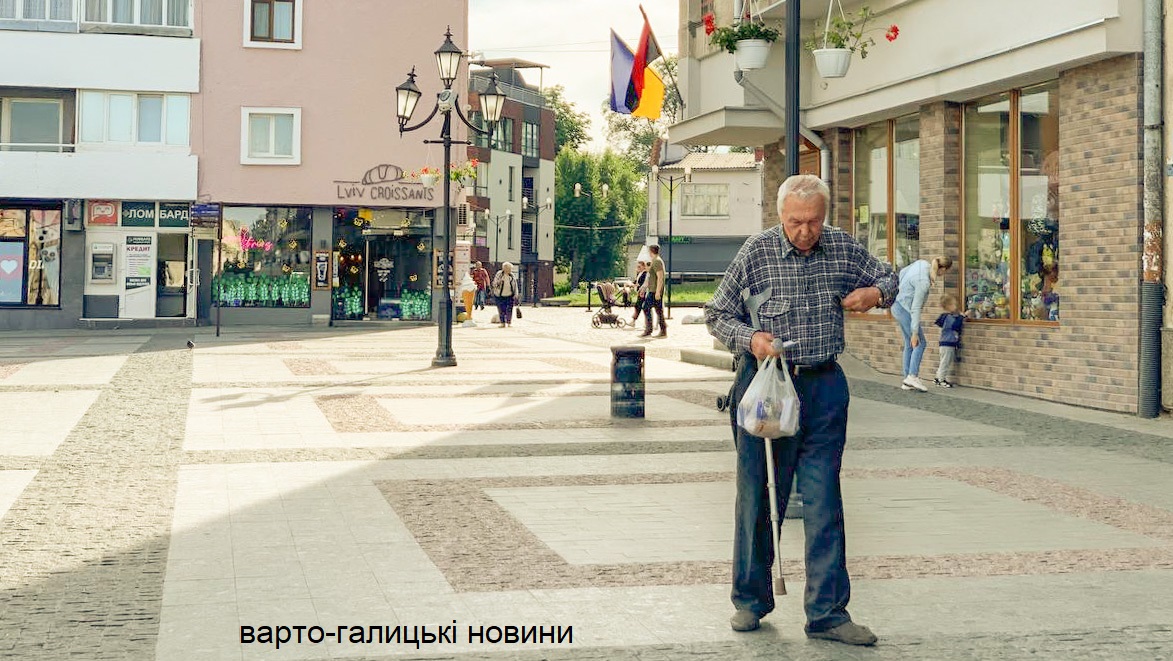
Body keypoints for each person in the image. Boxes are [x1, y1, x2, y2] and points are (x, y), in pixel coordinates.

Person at [706, 174, 898, 647]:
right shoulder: (757, 252)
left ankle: (828, 613)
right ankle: (750, 600)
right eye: (796, 222)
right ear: (780, 215)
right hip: (767, 386)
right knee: (756, 493)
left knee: (824, 499)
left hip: (822, 386)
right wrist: (750, 339)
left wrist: (874, 295)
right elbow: (717, 313)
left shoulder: (842, 247)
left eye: (813, 221)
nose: (805, 232)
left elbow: (891, 276)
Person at [891, 255, 954, 392]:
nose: (944, 274)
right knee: (919, 342)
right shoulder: (924, 282)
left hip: (896, 305)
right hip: (905, 310)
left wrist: (902, 290)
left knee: (909, 344)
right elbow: (915, 308)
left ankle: (907, 379)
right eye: (946, 272)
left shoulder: (922, 263)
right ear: (942, 269)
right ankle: (912, 376)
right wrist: (915, 332)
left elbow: (902, 272)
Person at [933, 293, 966, 388]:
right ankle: (941, 379)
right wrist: (962, 317)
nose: (956, 307)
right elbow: (956, 326)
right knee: (945, 362)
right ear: (949, 306)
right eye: (954, 305)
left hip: (943, 343)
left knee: (943, 361)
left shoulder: (944, 317)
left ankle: (937, 377)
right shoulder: (949, 318)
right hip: (948, 343)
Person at [642, 244, 667, 338]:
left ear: (651, 251)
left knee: (645, 308)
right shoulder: (655, 261)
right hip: (654, 289)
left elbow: (660, 277)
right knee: (658, 310)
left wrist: (657, 291)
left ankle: (649, 329)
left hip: (654, 290)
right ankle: (663, 330)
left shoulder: (657, 261)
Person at [490, 261, 519, 327]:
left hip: (510, 295)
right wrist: (499, 282)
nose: (510, 270)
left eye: (510, 269)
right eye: (509, 269)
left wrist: (516, 294)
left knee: (509, 309)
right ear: (504, 268)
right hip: (499, 295)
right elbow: (494, 284)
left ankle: (509, 323)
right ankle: (502, 323)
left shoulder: (511, 275)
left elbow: (515, 285)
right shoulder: (499, 274)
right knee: (501, 309)